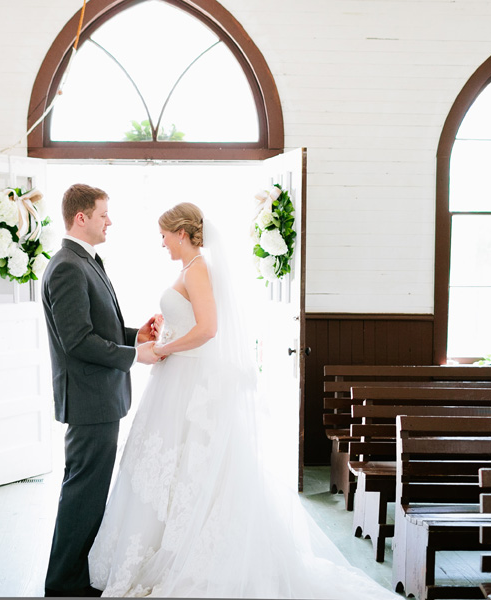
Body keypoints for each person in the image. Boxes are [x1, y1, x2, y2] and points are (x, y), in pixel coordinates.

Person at [87, 202, 401, 599]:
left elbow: (208, 329)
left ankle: (194, 555)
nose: (162, 242)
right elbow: (191, 321)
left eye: (164, 234)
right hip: (176, 380)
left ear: (181, 233)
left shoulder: (199, 268)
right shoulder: (187, 270)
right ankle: (159, 543)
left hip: (189, 378)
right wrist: (163, 332)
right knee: (169, 468)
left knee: (193, 468)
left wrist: (167, 349)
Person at [42, 183, 162, 598]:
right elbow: (77, 341)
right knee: (81, 495)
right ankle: (63, 585)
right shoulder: (66, 267)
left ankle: (75, 577)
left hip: (98, 398)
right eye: (103, 214)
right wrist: (135, 358)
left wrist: (135, 338)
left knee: (88, 494)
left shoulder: (85, 261)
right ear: (81, 218)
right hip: (89, 399)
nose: (109, 221)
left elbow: (99, 330)